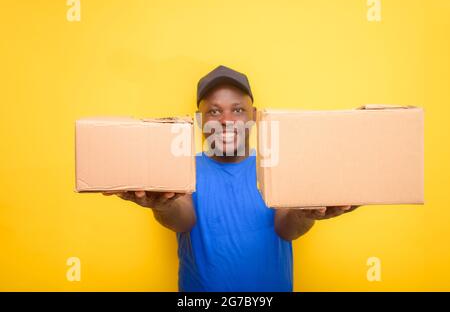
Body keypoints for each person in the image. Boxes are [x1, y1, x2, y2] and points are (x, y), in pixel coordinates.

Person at [104, 65, 358, 291]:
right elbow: (182, 220)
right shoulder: (183, 168)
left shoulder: (276, 167)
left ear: (254, 115)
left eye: (237, 110)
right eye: (214, 112)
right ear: (198, 119)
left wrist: (305, 213)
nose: (226, 120)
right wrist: (163, 203)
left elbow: (286, 228)